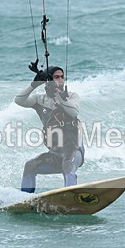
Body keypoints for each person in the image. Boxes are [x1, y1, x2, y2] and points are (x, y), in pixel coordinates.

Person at [15, 63, 84, 193]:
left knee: (67, 164)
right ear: (48, 81)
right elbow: (19, 100)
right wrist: (33, 85)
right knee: (30, 165)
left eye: (62, 77)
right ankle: (24, 199)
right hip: (55, 154)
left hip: (74, 151)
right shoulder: (39, 100)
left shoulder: (72, 97)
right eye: (56, 77)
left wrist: (58, 94)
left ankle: (70, 195)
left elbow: (73, 113)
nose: (60, 80)